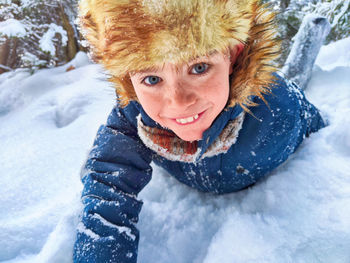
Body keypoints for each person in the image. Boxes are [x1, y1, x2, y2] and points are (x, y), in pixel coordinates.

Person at [73, 0, 326, 262]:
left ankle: (306, 45)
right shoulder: (134, 114)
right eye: (152, 79)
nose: (179, 102)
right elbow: (107, 190)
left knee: (290, 80)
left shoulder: (278, 108)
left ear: (232, 55)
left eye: (198, 67)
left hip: (267, 98)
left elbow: (321, 133)